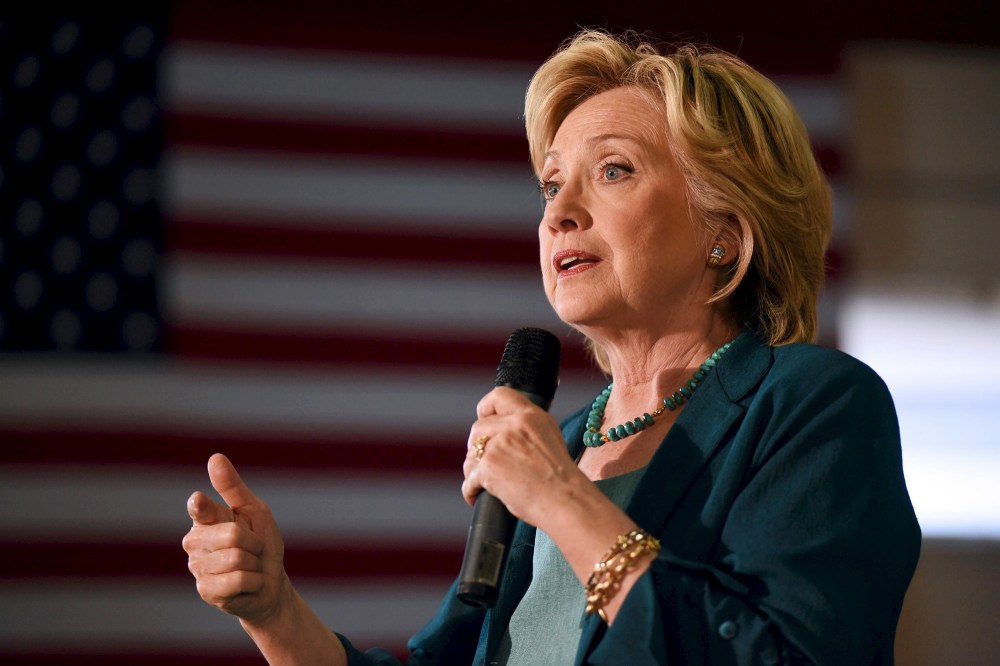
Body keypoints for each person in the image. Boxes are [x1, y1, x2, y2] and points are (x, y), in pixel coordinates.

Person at [183, 29, 921, 665]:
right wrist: (274, 610)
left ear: (723, 230)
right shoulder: (558, 446)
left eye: (613, 171)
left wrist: (562, 499)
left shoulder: (813, 404)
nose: (560, 214)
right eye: (550, 186)